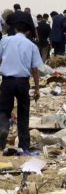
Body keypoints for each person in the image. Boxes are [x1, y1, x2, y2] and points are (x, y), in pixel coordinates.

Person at [0, 20, 42, 154]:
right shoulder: (32, 45)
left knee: (4, 110)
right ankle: (24, 145)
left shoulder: (5, 41)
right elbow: (35, 68)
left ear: (16, 29)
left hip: (7, 81)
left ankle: (3, 132)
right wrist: (37, 88)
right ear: (28, 32)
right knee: (23, 113)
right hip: (23, 82)